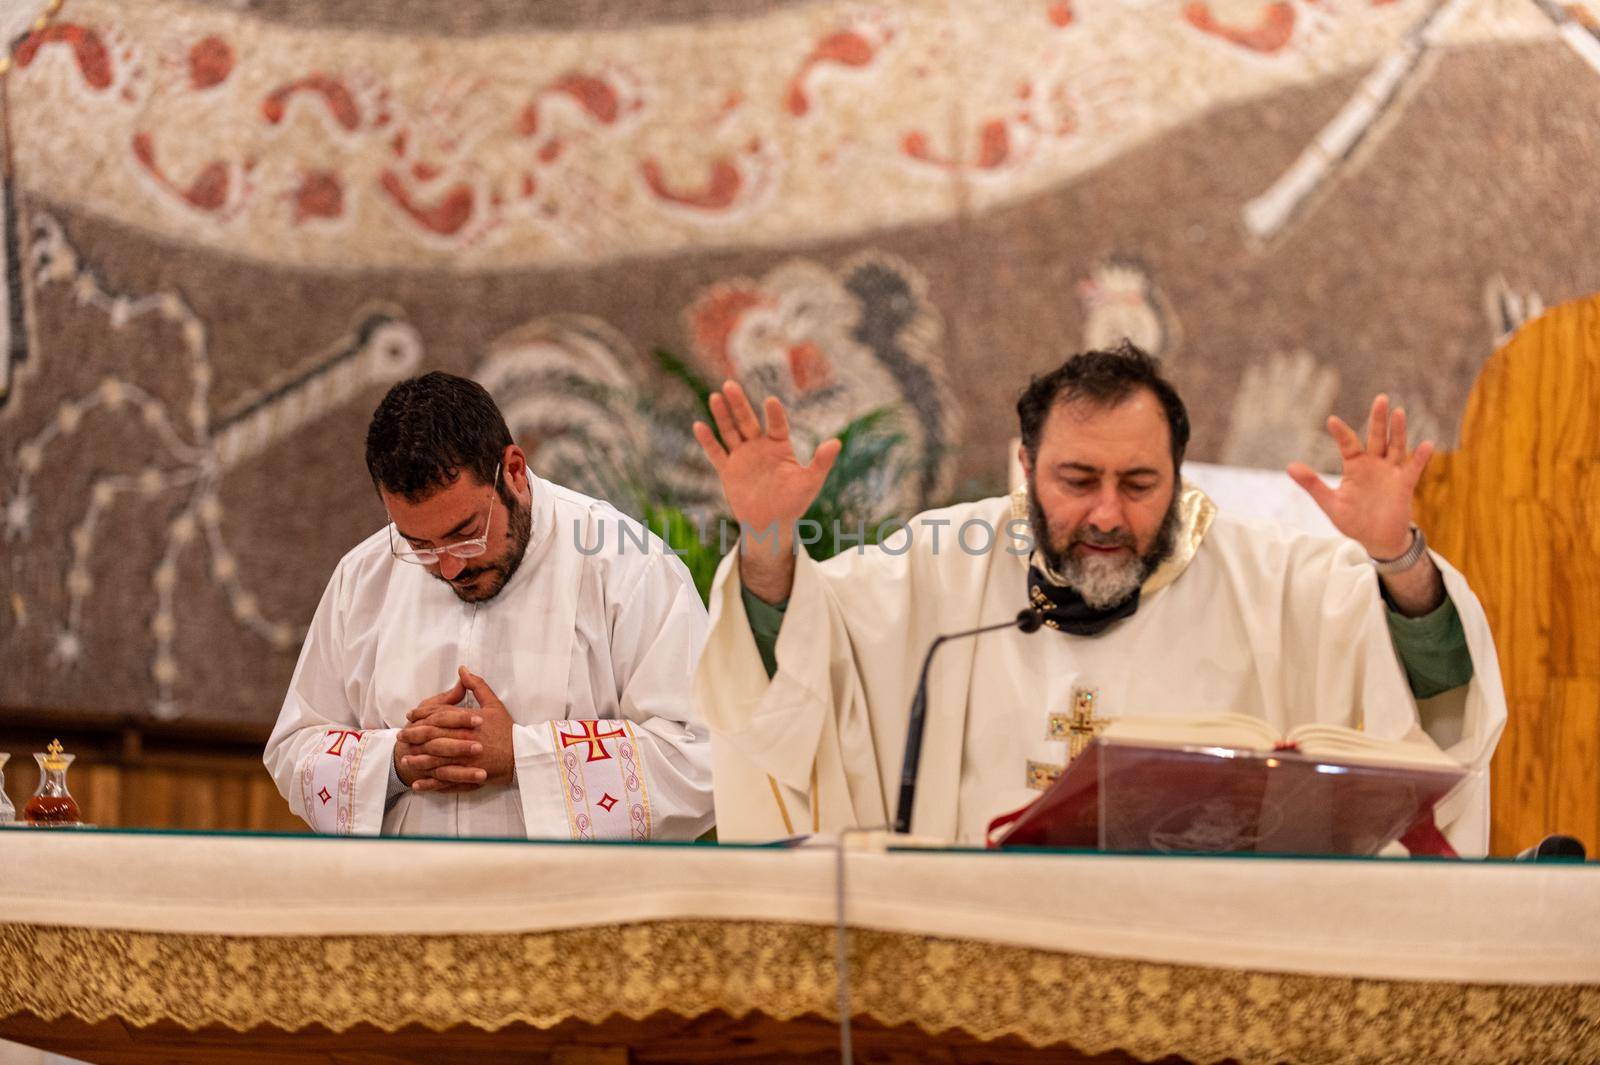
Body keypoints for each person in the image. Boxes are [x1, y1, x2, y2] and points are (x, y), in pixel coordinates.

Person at [691, 343, 1506, 853]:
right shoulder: (940, 568)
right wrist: (766, 541)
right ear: (1025, 465)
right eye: (1077, 481)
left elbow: (1431, 690)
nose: (1107, 514)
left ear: (1178, 475)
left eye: (1139, 483)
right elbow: (791, 675)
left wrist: (1396, 555)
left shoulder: (1275, 581)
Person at [265, 372, 714, 839]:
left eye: (465, 534)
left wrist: (521, 756)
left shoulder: (625, 564)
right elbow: (297, 746)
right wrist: (397, 762)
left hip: (571, 904)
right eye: (418, 543)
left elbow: (699, 753)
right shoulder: (363, 576)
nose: (449, 568)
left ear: (515, 471)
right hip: (409, 898)